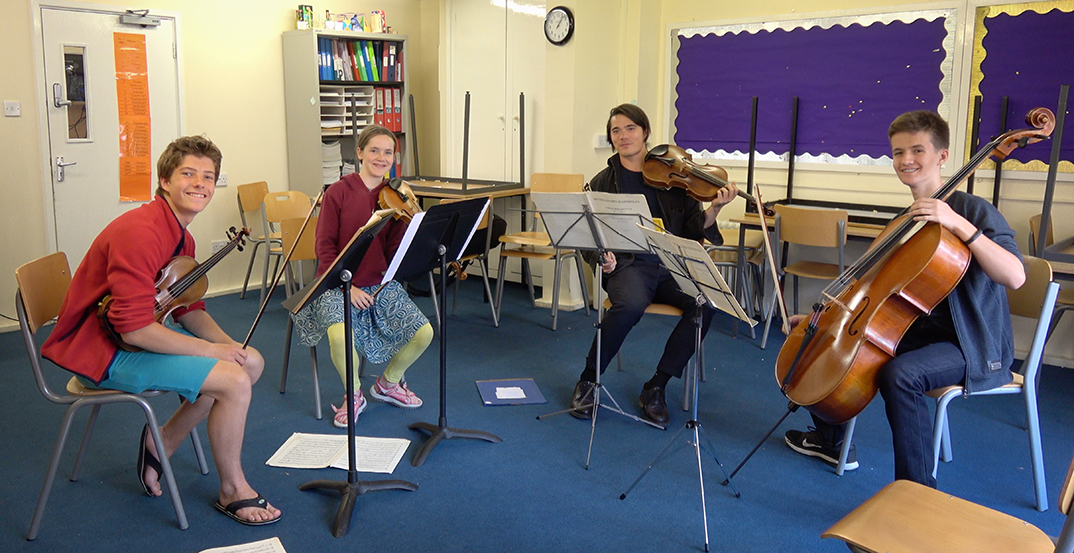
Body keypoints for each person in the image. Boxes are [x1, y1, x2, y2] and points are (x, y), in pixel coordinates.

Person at [41, 136, 281, 525]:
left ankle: (164, 437)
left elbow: (187, 309)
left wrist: (229, 345)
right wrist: (213, 352)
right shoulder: (141, 231)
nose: (200, 183)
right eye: (188, 173)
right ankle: (232, 489)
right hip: (104, 352)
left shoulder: (181, 234)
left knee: (249, 362)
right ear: (165, 181)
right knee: (234, 381)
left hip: (130, 339)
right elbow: (134, 330)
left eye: (208, 176)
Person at [783, 111, 1025, 486]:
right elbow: (874, 285)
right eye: (898, 152)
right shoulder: (906, 219)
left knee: (901, 375)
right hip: (916, 331)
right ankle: (830, 441)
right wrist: (831, 320)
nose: (906, 160)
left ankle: (916, 492)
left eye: (917, 150)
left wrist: (957, 224)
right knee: (822, 343)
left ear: (942, 156)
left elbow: (1015, 276)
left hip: (971, 343)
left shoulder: (973, 211)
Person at [568, 104, 738, 425]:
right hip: (628, 266)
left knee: (705, 303)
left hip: (671, 265)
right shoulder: (603, 181)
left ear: (645, 132)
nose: (623, 136)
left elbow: (693, 228)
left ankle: (656, 386)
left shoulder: (675, 178)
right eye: (616, 131)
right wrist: (602, 257)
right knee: (630, 304)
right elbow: (588, 236)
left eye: (630, 128)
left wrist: (714, 209)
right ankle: (588, 380)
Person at [292, 124, 434, 428]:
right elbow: (324, 248)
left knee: (424, 332)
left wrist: (411, 232)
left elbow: (393, 251)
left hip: (378, 283)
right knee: (340, 337)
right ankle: (354, 394)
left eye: (388, 152)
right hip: (335, 282)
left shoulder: (394, 198)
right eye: (374, 150)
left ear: (394, 158)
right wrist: (349, 286)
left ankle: (388, 384)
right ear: (359, 153)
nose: (381, 158)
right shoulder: (337, 192)